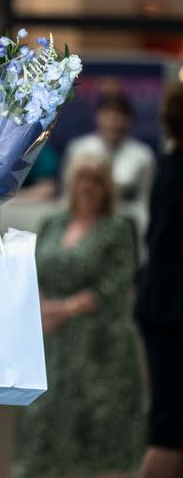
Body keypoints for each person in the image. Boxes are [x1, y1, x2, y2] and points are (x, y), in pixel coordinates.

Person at [14, 153, 145, 477]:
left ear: (107, 187)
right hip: (51, 349)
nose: (88, 186)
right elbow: (33, 274)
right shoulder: (53, 224)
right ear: (71, 183)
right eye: (82, 178)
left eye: (96, 180)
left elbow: (114, 285)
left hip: (98, 354)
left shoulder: (118, 228)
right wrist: (41, 307)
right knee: (40, 443)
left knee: (96, 450)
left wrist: (63, 310)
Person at [134, 82, 183, 478]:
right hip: (172, 310)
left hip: (162, 304)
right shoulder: (175, 168)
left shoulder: (168, 164)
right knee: (170, 431)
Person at [64, 88, 155, 245]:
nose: (114, 121)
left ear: (129, 119)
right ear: (97, 117)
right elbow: (68, 195)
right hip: (82, 230)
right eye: (108, 114)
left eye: (120, 115)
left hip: (126, 230)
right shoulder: (79, 149)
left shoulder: (143, 156)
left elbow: (145, 203)